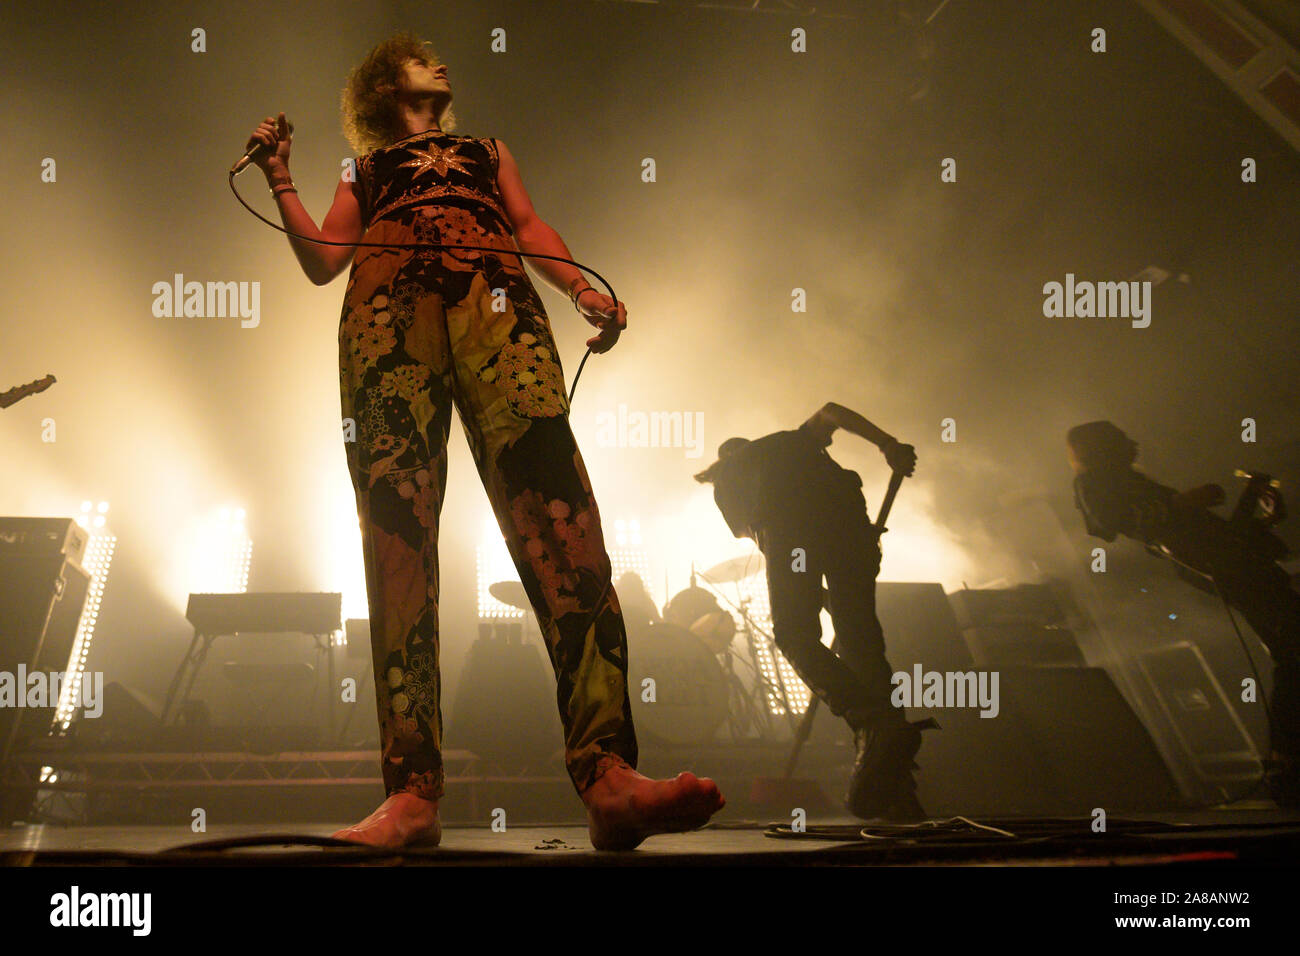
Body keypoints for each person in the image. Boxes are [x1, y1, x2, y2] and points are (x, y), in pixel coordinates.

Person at [244, 32, 723, 849]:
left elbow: (529, 224)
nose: (441, 63)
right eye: (420, 58)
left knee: (562, 522)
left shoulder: (486, 149)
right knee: (397, 536)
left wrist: (581, 287)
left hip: (498, 307)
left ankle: (609, 774)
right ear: (382, 85)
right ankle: (412, 794)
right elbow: (325, 258)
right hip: (386, 316)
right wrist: (280, 176)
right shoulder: (364, 170)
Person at [694, 403, 933, 819]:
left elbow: (761, 535)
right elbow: (832, 410)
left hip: (794, 539)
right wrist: (888, 445)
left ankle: (869, 723)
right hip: (853, 535)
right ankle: (896, 776)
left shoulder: (728, 477)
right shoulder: (794, 442)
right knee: (862, 645)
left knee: (794, 634)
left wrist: (800, 586)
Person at [1067, 420, 1300, 806]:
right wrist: (1184, 501)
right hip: (1228, 571)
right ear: (1102, 448)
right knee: (1292, 653)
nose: (1134, 443)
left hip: (1243, 566)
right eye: (1121, 439)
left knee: (1290, 652)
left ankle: (1287, 763)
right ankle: (1287, 764)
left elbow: (1224, 538)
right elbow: (1116, 522)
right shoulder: (1093, 483)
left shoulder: (1133, 482)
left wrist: (1258, 511)